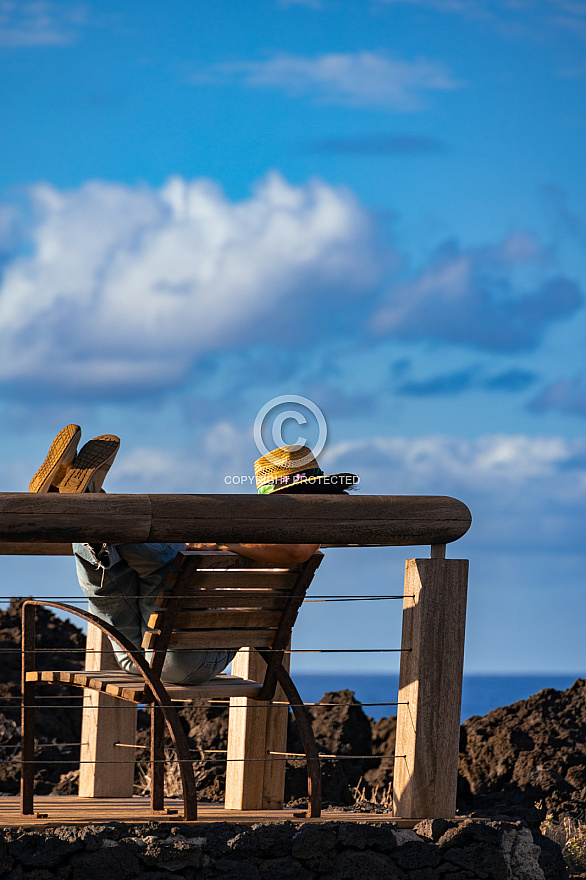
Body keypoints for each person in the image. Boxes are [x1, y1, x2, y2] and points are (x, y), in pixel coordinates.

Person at [30, 428, 357, 685]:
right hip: (138, 655)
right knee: (107, 572)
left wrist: (217, 542)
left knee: (169, 562)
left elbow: (295, 550)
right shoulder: (266, 536)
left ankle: (85, 503)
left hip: (190, 658)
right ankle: (82, 502)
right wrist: (216, 544)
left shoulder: (309, 529)